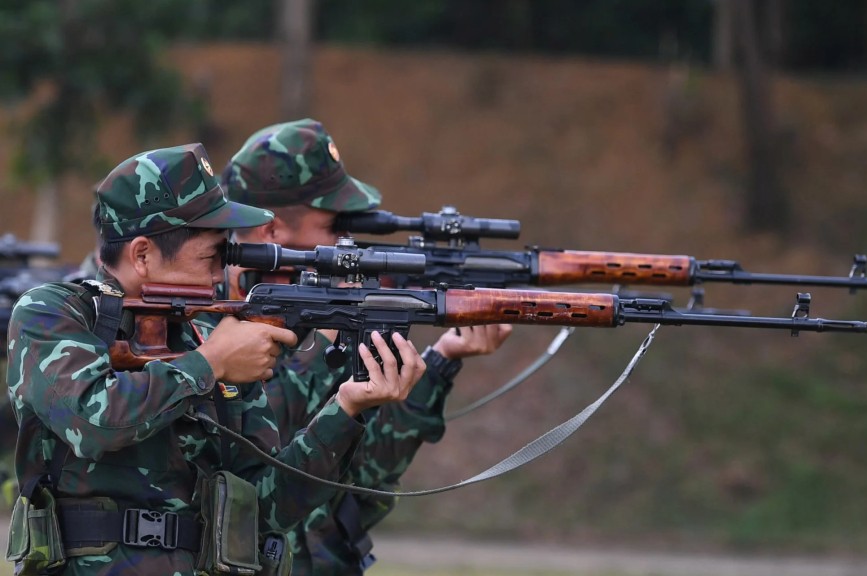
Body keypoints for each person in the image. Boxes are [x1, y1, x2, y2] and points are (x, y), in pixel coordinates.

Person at [5, 143, 425, 575]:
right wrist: (208, 364)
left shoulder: (209, 336)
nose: (222, 271)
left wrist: (347, 408)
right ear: (143, 255)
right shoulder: (53, 312)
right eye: (212, 255)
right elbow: (94, 422)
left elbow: (265, 507)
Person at [221, 118, 512, 575]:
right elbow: (265, 449)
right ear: (273, 230)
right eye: (337, 224)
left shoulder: (321, 310)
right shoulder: (205, 319)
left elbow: (367, 480)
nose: (349, 238)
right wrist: (331, 347)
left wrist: (440, 361)